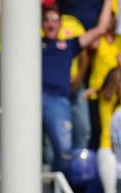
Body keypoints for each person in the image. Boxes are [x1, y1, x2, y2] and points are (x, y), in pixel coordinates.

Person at [42, 0, 114, 176]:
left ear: (60, 24)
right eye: (47, 20)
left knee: (63, 148)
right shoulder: (32, 44)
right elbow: (7, 27)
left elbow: (101, 29)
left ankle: (57, 183)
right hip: (32, 99)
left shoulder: (68, 45)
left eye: (54, 20)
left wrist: (108, 2)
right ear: (42, 25)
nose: (51, 24)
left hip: (58, 100)